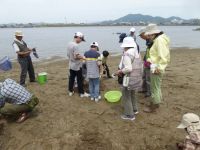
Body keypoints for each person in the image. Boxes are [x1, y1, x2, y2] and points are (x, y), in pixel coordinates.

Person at [143, 24, 170, 113]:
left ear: (153, 34)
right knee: (156, 87)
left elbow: (164, 56)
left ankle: (153, 107)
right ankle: (156, 103)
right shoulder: (160, 39)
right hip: (155, 66)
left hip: (156, 67)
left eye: (149, 35)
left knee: (154, 88)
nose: (148, 37)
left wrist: (160, 67)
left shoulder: (159, 40)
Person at [116, 37, 143, 121]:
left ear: (125, 45)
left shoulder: (127, 54)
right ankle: (135, 110)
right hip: (136, 77)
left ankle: (129, 115)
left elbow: (128, 68)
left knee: (126, 95)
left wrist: (119, 71)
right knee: (132, 93)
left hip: (128, 78)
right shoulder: (137, 53)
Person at [67, 32, 89, 98]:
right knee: (80, 79)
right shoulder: (76, 46)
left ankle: (70, 91)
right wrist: (83, 57)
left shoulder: (69, 43)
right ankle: (81, 93)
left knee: (71, 78)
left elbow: (68, 54)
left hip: (71, 64)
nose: (81, 41)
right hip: (77, 66)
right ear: (78, 37)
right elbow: (76, 56)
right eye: (81, 39)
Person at [138, 27, 152, 97]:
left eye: (141, 35)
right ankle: (144, 89)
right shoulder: (147, 40)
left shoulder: (152, 40)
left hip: (150, 62)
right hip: (146, 60)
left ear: (144, 33)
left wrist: (149, 61)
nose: (140, 37)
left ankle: (149, 92)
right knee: (144, 76)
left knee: (148, 78)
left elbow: (152, 53)